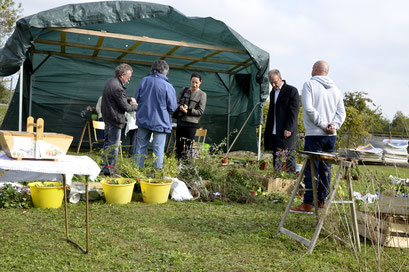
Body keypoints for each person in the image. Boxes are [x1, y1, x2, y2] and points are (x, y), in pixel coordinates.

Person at [290, 60, 346, 213]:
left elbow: (308, 108)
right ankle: (321, 201)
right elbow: (342, 113)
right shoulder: (336, 89)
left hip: (315, 134)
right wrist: (334, 126)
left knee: (311, 168)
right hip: (331, 136)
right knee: (325, 169)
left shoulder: (309, 85)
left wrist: (322, 125)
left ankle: (308, 204)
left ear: (315, 69)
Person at [134, 60, 177, 169]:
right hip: (160, 122)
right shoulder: (168, 86)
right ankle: (156, 177)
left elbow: (137, 98)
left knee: (140, 148)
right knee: (158, 151)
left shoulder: (143, 81)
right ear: (165, 72)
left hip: (143, 119)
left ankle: (137, 174)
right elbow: (172, 107)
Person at [101, 63, 138, 175]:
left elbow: (116, 100)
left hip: (108, 118)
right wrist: (137, 106)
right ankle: (110, 170)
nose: (129, 79)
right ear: (122, 75)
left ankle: (105, 168)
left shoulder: (110, 82)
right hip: (114, 120)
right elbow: (125, 107)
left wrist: (127, 99)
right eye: (128, 76)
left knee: (107, 145)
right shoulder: (118, 87)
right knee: (113, 147)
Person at [264, 69, 299, 172]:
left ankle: (291, 181)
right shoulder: (272, 93)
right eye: (271, 83)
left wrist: (289, 128)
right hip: (275, 130)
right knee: (276, 156)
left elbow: (294, 112)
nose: (273, 85)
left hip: (287, 130)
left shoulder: (291, 91)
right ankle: (276, 178)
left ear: (280, 78)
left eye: (275, 82)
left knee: (289, 156)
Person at [174, 72, 207, 160]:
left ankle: (187, 165)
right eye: (193, 82)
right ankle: (178, 164)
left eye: (196, 82)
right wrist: (180, 107)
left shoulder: (202, 95)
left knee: (188, 146)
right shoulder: (184, 90)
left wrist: (188, 110)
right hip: (180, 122)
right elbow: (176, 103)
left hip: (191, 124)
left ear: (200, 82)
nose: (194, 84)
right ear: (190, 81)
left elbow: (200, 111)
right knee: (179, 145)